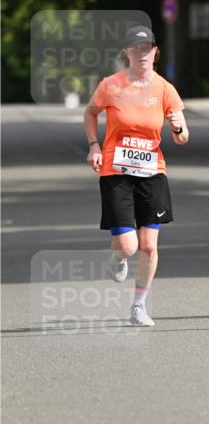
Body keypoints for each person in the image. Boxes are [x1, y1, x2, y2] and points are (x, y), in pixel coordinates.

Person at [83, 25, 189, 327]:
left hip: (152, 172)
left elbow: (182, 138)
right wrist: (94, 146)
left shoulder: (165, 89)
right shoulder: (111, 85)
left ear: (155, 53)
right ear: (127, 53)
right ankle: (117, 257)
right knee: (128, 247)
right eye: (136, 49)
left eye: (148, 48)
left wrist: (178, 125)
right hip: (116, 171)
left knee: (149, 246)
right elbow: (90, 113)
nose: (142, 54)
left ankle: (139, 306)